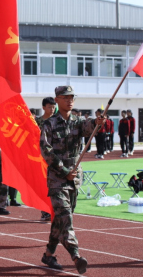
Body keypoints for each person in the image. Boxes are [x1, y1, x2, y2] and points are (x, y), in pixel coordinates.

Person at [40, 86, 104, 274]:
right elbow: (46, 151)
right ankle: (76, 255)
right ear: (57, 100)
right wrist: (64, 170)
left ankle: (49, 254)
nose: (70, 101)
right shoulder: (49, 124)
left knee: (61, 220)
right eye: (65, 97)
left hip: (74, 180)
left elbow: (89, 126)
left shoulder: (77, 122)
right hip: (57, 179)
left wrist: (97, 122)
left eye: (72, 97)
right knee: (65, 217)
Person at [35, 97, 56, 222]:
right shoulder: (37, 122)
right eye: (49, 107)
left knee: (54, 185)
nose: (52, 109)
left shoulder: (57, 121)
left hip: (55, 157)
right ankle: (44, 211)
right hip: (40, 158)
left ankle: (54, 210)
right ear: (43, 107)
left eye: (53, 107)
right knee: (43, 186)